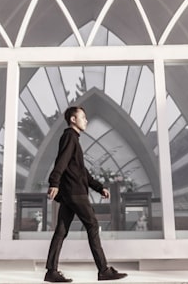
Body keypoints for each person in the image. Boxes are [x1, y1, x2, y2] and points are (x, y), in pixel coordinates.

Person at [43, 106, 127, 283]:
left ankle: (51, 271)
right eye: (83, 117)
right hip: (75, 192)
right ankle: (103, 270)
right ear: (73, 120)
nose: (86, 120)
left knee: (61, 231)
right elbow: (62, 161)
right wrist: (54, 182)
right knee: (93, 225)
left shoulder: (74, 139)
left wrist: (98, 187)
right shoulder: (69, 137)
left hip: (70, 193)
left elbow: (81, 171)